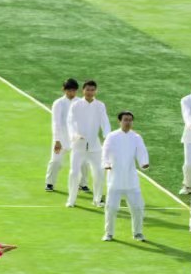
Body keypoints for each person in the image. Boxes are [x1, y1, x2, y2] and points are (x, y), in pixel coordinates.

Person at [102, 111, 151, 242]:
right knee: (111, 208)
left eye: (130, 120)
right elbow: (105, 151)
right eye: (125, 120)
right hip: (115, 179)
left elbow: (142, 151)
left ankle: (138, 233)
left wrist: (144, 163)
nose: (128, 122)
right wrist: (106, 163)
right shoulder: (112, 136)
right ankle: (109, 233)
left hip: (131, 180)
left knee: (138, 207)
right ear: (120, 121)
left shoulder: (136, 137)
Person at [64, 80, 111, 210]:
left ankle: (97, 200)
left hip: (95, 147)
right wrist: (74, 135)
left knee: (99, 173)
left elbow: (105, 122)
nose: (90, 92)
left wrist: (107, 137)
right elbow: (70, 121)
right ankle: (71, 200)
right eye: (88, 90)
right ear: (83, 90)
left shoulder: (100, 105)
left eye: (92, 90)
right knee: (74, 173)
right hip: (78, 146)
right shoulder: (76, 105)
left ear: (96, 91)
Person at [44, 78, 77, 191]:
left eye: (73, 90)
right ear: (64, 90)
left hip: (76, 138)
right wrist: (57, 140)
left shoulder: (80, 102)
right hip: (61, 138)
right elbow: (56, 122)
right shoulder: (58, 103)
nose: (71, 93)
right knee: (56, 161)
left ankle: (83, 184)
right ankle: (50, 183)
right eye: (69, 90)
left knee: (83, 163)